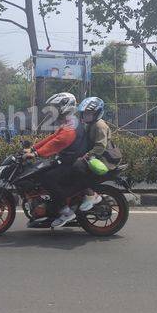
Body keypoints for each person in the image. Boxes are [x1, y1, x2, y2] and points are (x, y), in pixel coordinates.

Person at [23, 92, 87, 228]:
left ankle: (66, 211)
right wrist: (34, 149)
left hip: (70, 163)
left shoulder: (70, 126)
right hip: (67, 159)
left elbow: (57, 143)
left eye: (56, 107)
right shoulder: (69, 121)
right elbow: (52, 138)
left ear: (65, 107)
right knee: (41, 171)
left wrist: (36, 154)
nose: (54, 110)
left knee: (47, 178)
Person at [74, 97, 115, 212]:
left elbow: (100, 147)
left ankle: (91, 195)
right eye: (84, 113)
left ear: (97, 113)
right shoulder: (91, 124)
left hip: (103, 159)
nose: (85, 116)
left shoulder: (99, 125)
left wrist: (86, 155)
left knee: (76, 168)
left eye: (89, 113)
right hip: (95, 157)